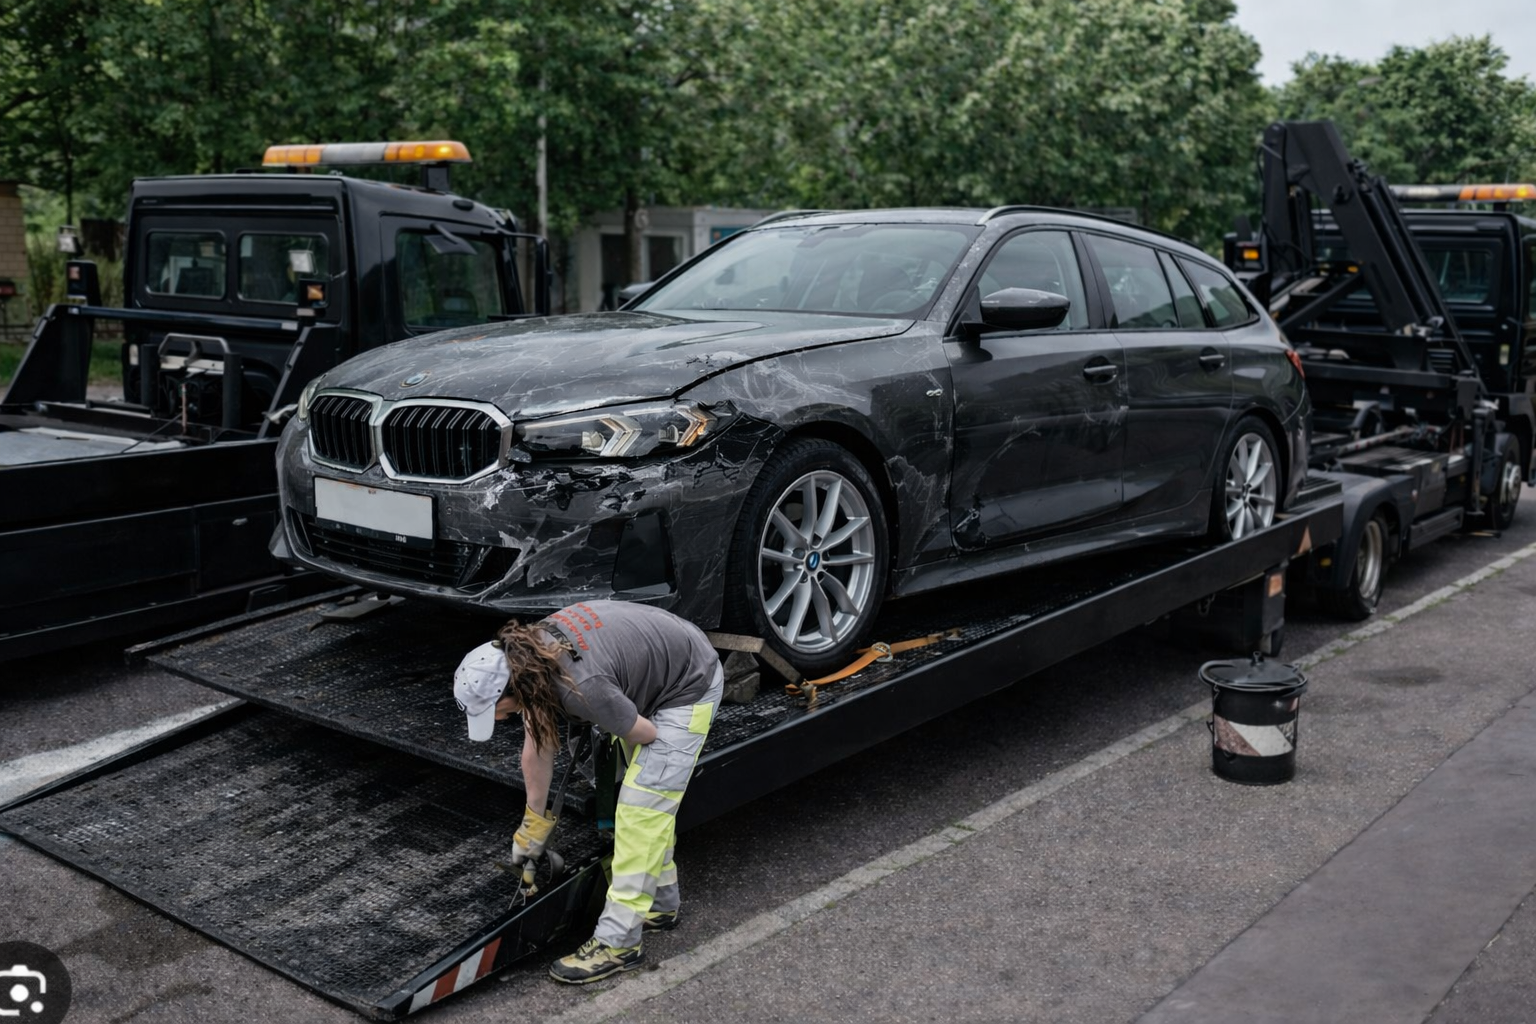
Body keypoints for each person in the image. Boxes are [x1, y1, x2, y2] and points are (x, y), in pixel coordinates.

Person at [452, 600, 724, 984]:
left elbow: (647, 734)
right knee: (645, 800)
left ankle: (618, 944)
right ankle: (660, 905)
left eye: (497, 711)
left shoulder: (583, 688)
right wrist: (533, 825)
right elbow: (538, 748)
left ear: (512, 688)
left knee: (641, 810)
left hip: (688, 686)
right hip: (657, 660)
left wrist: (649, 777)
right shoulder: (531, 657)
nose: (499, 719)